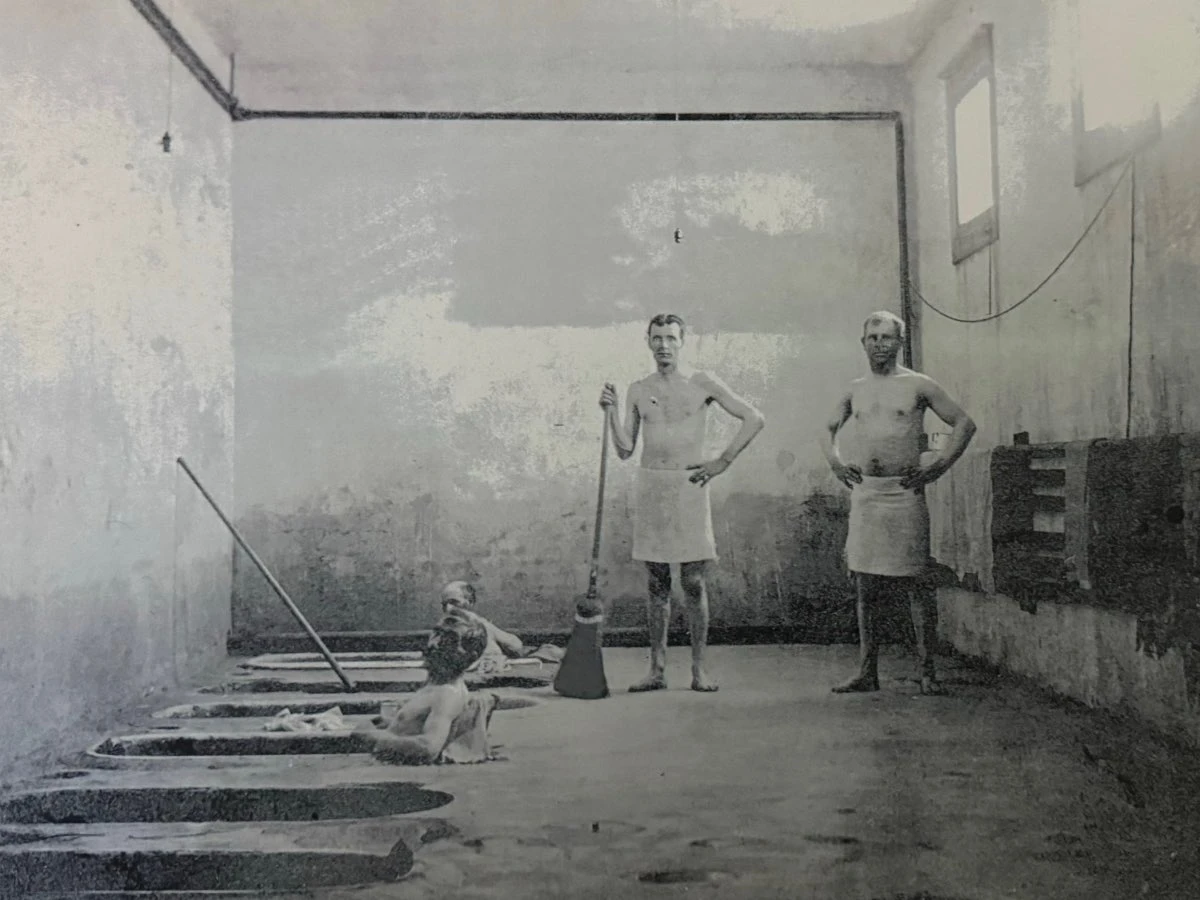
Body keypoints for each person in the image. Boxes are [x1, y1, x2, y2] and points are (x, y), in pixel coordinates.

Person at [600, 313, 765, 693]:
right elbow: (626, 449)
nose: (663, 345)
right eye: (657, 338)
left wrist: (721, 462)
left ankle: (699, 670)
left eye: (671, 338)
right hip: (653, 487)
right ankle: (656, 670)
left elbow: (754, 417)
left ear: (682, 341)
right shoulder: (639, 389)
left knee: (692, 582)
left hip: (689, 487)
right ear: (648, 342)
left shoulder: (702, 382)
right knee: (657, 584)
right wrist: (610, 413)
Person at [821, 310, 976, 695]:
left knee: (916, 583)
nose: (879, 345)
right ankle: (867, 671)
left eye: (886, 337)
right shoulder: (854, 388)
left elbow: (964, 423)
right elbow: (827, 429)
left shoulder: (918, 385)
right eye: (872, 338)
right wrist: (836, 464)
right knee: (865, 585)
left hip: (904, 494)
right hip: (868, 496)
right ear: (863, 344)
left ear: (899, 342)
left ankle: (927, 672)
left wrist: (938, 467)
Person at [358, 614, 500, 765]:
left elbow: (429, 747)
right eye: (436, 633)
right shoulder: (435, 686)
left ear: (470, 656)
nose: (434, 644)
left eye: (449, 640)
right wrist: (392, 723)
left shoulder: (447, 694)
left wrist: (374, 738)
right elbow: (422, 725)